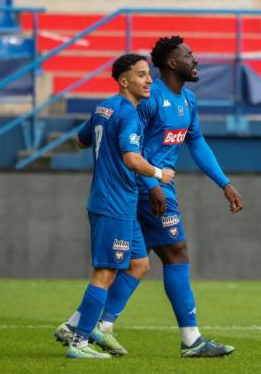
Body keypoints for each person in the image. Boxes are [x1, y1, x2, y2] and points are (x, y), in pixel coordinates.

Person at [56, 36, 244, 357]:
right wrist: (153, 183)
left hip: (148, 188)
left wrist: (223, 182)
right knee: (174, 254)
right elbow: (132, 146)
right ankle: (190, 340)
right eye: (189, 55)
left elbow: (196, 143)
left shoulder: (188, 100)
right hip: (143, 189)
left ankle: (83, 325)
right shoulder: (146, 99)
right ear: (171, 63)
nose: (195, 60)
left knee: (139, 264)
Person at [60, 53, 175, 359]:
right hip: (114, 203)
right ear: (124, 81)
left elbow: (81, 140)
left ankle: (80, 323)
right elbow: (131, 158)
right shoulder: (128, 114)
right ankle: (79, 340)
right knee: (105, 273)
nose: (149, 79)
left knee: (139, 264)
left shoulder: (103, 107)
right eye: (141, 75)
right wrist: (159, 173)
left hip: (118, 203)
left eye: (149, 74)